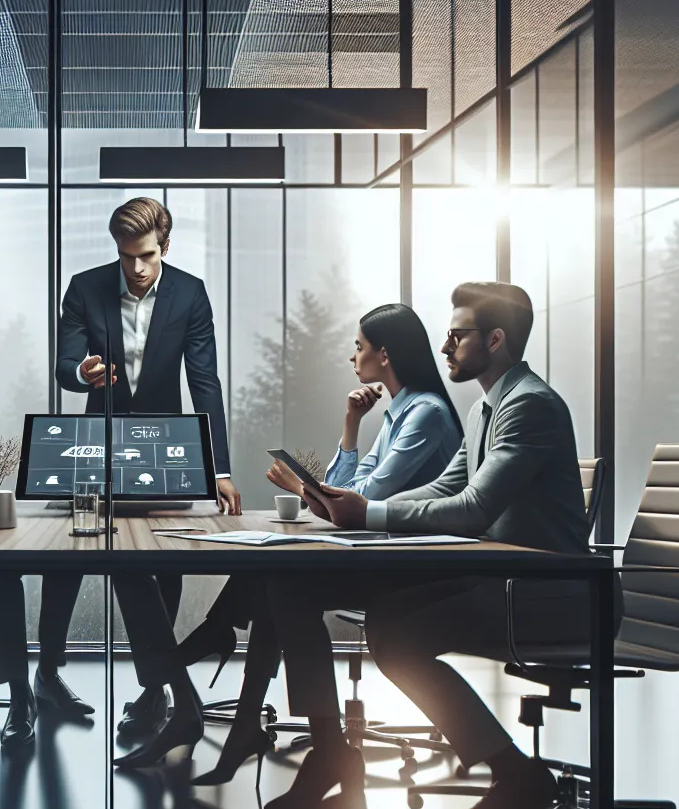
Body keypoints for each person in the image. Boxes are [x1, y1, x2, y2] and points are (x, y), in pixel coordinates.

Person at [248, 282, 595, 809]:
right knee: (300, 590)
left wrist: (371, 513)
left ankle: (513, 773)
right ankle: (333, 750)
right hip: (503, 580)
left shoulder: (529, 405)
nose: (445, 346)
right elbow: (444, 488)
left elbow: (476, 507)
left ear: (495, 340)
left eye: (457, 335)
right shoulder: (487, 408)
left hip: (546, 594)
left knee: (397, 633)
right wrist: (365, 509)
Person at [0, 197, 240, 756]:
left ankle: (154, 690)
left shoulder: (190, 293)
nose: (137, 268)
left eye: (147, 256)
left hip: (166, 445)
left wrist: (218, 467)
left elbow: (205, 382)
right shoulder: (85, 287)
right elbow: (64, 365)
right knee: (66, 559)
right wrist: (83, 371)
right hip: (95, 443)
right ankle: (47, 673)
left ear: (165, 247)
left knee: (162, 561)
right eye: (127, 257)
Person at [175, 302, 464, 783]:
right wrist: (351, 423)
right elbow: (348, 486)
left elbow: (361, 500)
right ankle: (250, 722)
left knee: (282, 583)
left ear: (385, 355)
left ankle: (224, 645)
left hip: (419, 567)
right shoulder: (399, 413)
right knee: (277, 580)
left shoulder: (426, 414)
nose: (353, 356)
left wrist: (298, 487)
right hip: (388, 554)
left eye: (359, 346)